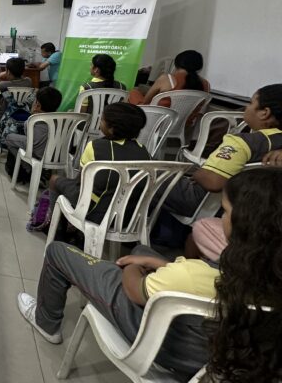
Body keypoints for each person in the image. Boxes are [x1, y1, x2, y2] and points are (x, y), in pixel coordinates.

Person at [18, 168, 282, 383]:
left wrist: (133, 265)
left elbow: (135, 289)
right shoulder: (256, 278)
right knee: (144, 249)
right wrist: (155, 261)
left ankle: (46, 322)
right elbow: (187, 276)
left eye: (224, 211)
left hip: (159, 345)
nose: (221, 218)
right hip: (211, 360)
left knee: (58, 252)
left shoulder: (194, 275)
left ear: (244, 223)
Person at [167, 84, 282, 260]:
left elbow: (214, 181)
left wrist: (196, 172)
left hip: (199, 201)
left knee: (147, 177)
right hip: (246, 209)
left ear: (264, 113)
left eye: (251, 103)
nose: (246, 107)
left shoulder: (242, 142)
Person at [49, 102, 149, 223]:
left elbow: (80, 182)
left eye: (102, 120)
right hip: (128, 218)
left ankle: (55, 226)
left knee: (55, 180)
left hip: (96, 214)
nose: (100, 123)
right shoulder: (144, 152)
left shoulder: (95, 146)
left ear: (111, 129)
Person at [4, 86, 63, 174]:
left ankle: (29, 168)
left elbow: (28, 133)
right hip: (56, 155)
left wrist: (33, 112)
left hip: (37, 153)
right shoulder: (62, 117)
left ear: (38, 105)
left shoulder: (34, 119)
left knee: (8, 138)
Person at [130, 50, 210, 107]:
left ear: (176, 63)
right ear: (199, 67)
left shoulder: (167, 78)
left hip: (158, 122)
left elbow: (145, 101)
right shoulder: (206, 84)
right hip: (185, 126)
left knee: (133, 93)